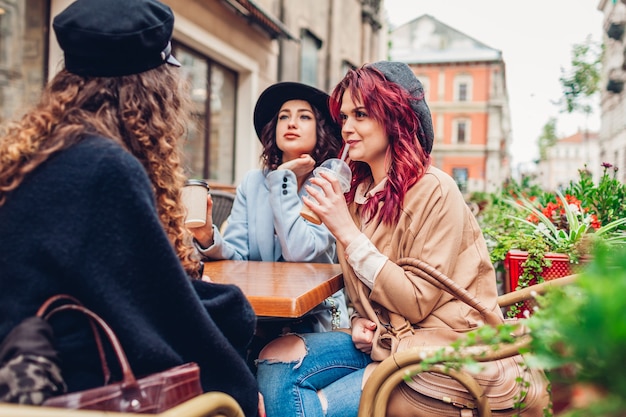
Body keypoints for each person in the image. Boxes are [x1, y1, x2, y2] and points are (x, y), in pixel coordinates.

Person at [0, 0, 259, 415]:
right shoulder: (105, 167)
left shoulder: (39, 152)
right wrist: (238, 316)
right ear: (152, 86)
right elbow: (164, 316)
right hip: (78, 390)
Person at [255, 61, 506, 416]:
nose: (347, 129)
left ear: (394, 118)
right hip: (384, 339)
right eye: (344, 117)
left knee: (314, 407)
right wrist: (358, 320)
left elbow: (416, 302)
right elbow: (359, 291)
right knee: (273, 357)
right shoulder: (359, 193)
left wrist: (344, 229)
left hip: (436, 346)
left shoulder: (435, 189)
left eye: (360, 114)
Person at [189, 82, 350, 335]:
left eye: (304, 117)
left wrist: (282, 178)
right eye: (283, 116)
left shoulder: (328, 184)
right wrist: (207, 237)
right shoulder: (253, 182)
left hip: (314, 319)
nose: (291, 123)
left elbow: (300, 250)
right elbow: (237, 258)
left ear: (321, 129)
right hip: (259, 317)